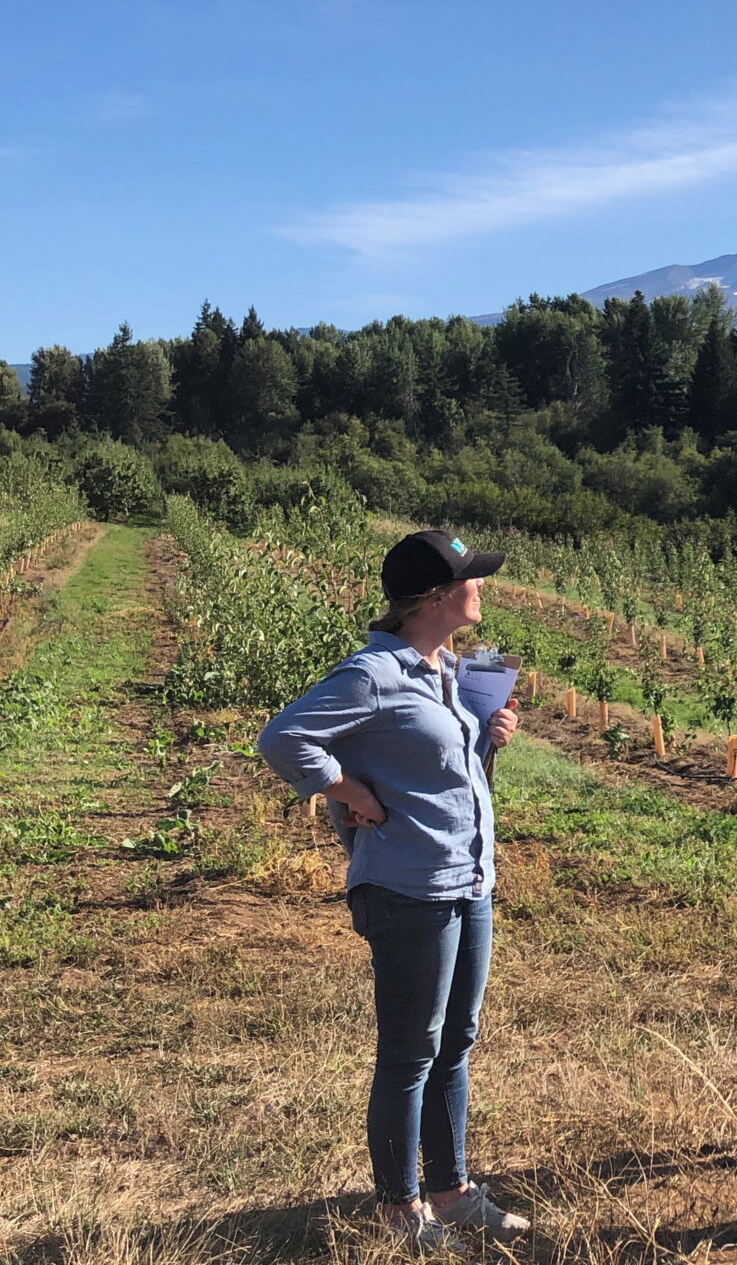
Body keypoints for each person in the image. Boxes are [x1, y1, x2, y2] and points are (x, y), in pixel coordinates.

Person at [257, 530, 530, 1251]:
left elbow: (436, 760)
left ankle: (454, 1189)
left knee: (455, 1043)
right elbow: (284, 738)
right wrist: (349, 789)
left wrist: (487, 737)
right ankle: (401, 1209)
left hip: (467, 879)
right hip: (409, 884)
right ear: (436, 597)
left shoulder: (442, 668)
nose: (481, 586)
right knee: (411, 1049)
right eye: (471, 577)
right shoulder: (374, 671)